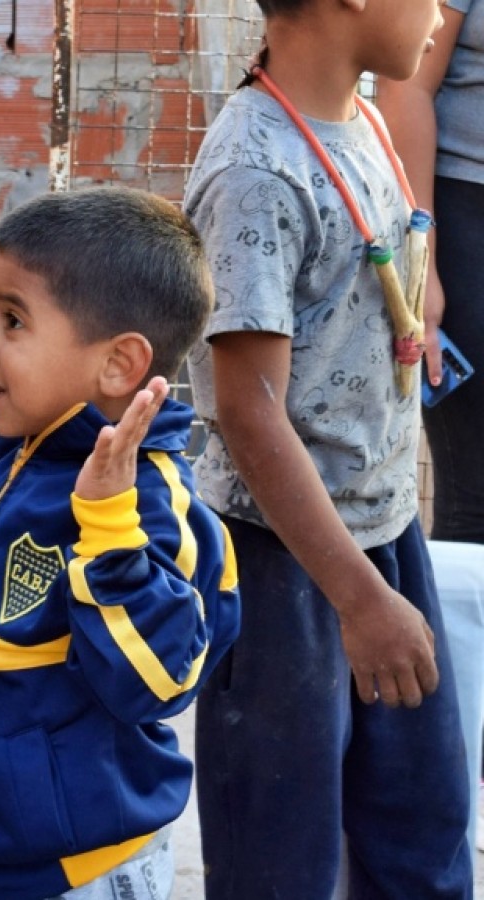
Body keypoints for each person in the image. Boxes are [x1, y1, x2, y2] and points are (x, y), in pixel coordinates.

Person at [182, 0, 475, 890]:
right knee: (282, 858)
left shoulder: (369, 121)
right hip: (285, 576)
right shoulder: (255, 170)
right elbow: (250, 412)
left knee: (420, 832)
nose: (438, 10)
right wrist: (361, 604)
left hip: (385, 540)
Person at [0, 186, 240, 900]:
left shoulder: (151, 506)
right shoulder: (7, 442)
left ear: (117, 365)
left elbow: (158, 681)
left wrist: (108, 533)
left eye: (11, 319)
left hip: (82, 867)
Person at [379, 0, 484, 852]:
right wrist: (428, 254)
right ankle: (464, 774)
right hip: (470, 213)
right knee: (479, 498)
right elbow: (408, 78)